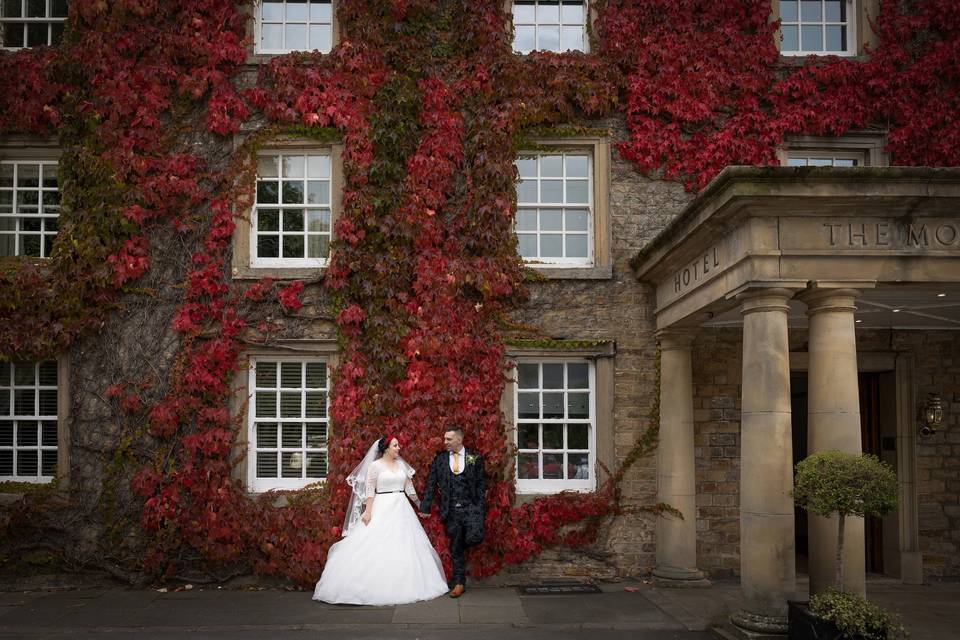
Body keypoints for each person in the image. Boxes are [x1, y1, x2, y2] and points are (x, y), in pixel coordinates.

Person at [312, 435, 449, 605]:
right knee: (376, 542)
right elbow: (370, 490)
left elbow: (409, 489)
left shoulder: (401, 465)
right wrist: (368, 512)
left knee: (405, 544)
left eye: (398, 445)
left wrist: (420, 505)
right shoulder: (374, 467)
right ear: (386, 449)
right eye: (395, 445)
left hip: (402, 508)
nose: (398, 448)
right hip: (382, 506)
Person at [418, 427, 486, 598]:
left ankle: (459, 572)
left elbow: (480, 485)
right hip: (451, 511)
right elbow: (431, 484)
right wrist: (425, 507)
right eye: (445, 439)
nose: (445, 442)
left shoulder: (474, 458)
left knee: (474, 537)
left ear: (459, 440)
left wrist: (479, 507)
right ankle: (459, 583)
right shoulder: (440, 460)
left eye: (449, 439)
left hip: (470, 508)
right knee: (455, 548)